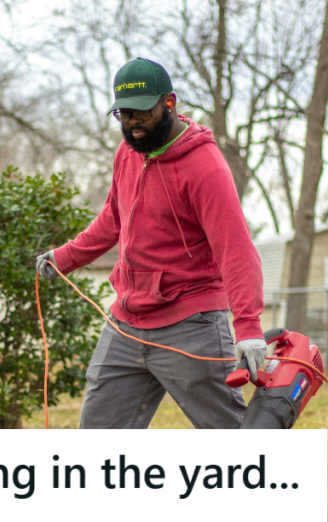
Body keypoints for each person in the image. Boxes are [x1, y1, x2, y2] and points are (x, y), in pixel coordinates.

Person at [35, 58, 267, 429]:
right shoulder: (127, 153)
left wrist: (249, 328)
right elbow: (114, 218)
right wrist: (64, 258)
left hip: (191, 324)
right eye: (123, 114)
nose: (132, 124)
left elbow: (235, 249)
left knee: (233, 440)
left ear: (169, 102)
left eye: (141, 113)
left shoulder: (205, 167)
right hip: (127, 322)